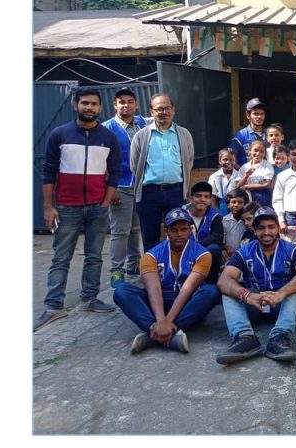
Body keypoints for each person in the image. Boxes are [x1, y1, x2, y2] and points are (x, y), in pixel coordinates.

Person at [37, 88, 122, 330]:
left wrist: (105, 202)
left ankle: (89, 299)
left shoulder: (108, 137)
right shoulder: (60, 134)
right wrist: (48, 206)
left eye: (94, 104)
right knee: (61, 257)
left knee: (94, 256)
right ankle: (53, 307)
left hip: (97, 207)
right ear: (76, 105)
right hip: (67, 207)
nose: (89, 107)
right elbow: (48, 171)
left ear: (100, 108)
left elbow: (115, 171)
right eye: (85, 103)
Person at [112, 208, 221, 354]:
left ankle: (155, 334)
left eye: (183, 229)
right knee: (121, 292)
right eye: (174, 230)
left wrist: (167, 322)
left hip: (188, 302)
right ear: (166, 232)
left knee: (212, 291)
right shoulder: (150, 256)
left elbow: (187, 289)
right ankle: (163, 332)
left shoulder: (203, 254)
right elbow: (154, 290)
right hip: (159, 301)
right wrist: (161, 320)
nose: (179, 234)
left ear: (190, 230)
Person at [215, 207, 296, 364]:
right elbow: (224, 280)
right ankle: (245, 338)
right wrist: (247, 295)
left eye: (271, 227)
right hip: (255, 304)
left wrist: (281, 293)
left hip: (281, 305)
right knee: (228, 290)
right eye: (261, 228)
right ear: (254, 230)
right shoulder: (244, 251)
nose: (266, 232)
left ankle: (279, 338)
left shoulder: (293, 250)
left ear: (278, 228)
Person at [130, 93, 195, 252]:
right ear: (152, 111)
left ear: (173, 110)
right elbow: (135, 165)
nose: (163, 112)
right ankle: (152, 266)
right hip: (149, 193)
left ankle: (176, 266)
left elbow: (189, 161)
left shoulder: (184, 134)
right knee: (150, 236)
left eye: (167, 108)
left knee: (178, 235)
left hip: (175, 192)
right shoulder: (141, 136)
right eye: (159, 109)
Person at [102, 87, 148, 285]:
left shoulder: (141, 123)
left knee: (135, 228)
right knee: (120, 231)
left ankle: (133, 264)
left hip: (141, 185)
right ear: (115, 105)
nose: (126, 105)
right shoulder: (107, 128)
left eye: (130, 102)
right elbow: (101, 160)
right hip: (119, 186)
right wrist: (109, 188)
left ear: (136, 104)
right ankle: (116, 271)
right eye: (122, 102)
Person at [183, 181, 225, 283]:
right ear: (191, 198)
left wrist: (196, 246)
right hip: (185, 251)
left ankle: (211, 282)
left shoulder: (215, 215)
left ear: (210, 200)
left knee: (214, 248)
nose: (202, 199)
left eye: (206, 197)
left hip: (206, 252)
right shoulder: (181, 214)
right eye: (198, 196)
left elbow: (217, 237)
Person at [236, 139, 276, 207]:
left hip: (262, 198)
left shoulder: (267, 166)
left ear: (265, 153)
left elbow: (267, 184)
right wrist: (246, 176)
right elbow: (238, 186)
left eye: (261, 151)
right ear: (250, 151)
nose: (258, 153)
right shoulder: (244, 167)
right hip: (247, 198)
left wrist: (246, 186)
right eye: (255, 150)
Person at [230, 97, 267, 168]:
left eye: (262, 114)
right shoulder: (240, 136)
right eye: (256, 114)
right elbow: (230, 157)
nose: (259, 117)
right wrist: (242, 172)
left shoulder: (270, 135)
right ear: (248, 115)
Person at [208, 148, 241, 215]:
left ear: (235, 161)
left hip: (237, 209)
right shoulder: (214, 177)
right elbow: (212, 197)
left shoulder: (240, 176)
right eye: (225, 159)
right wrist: (217, 213)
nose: (228, 162)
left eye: (231, 160)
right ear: (220, 161)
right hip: (219, 206)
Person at [222, 188, 251, 256]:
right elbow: (221, 241)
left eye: (240, 202)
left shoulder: (249, 222)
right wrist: (224, 248)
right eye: (233, 202)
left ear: (245, 205)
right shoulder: (224, 220)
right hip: (228, 255)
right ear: (228, 205)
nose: (236, 205)